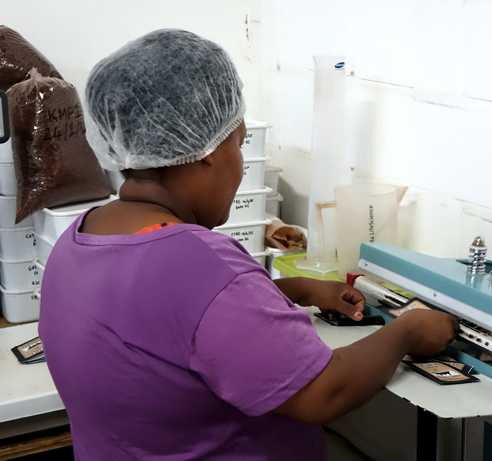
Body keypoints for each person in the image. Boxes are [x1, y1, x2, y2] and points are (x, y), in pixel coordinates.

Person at [39, 29, 456, 461]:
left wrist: (297, 291)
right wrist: (406, 332)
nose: (240, 167)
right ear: (207, 151)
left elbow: (168, 322)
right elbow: (324, 392)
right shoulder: (198, 263)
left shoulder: (80, 238)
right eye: (239, 144)